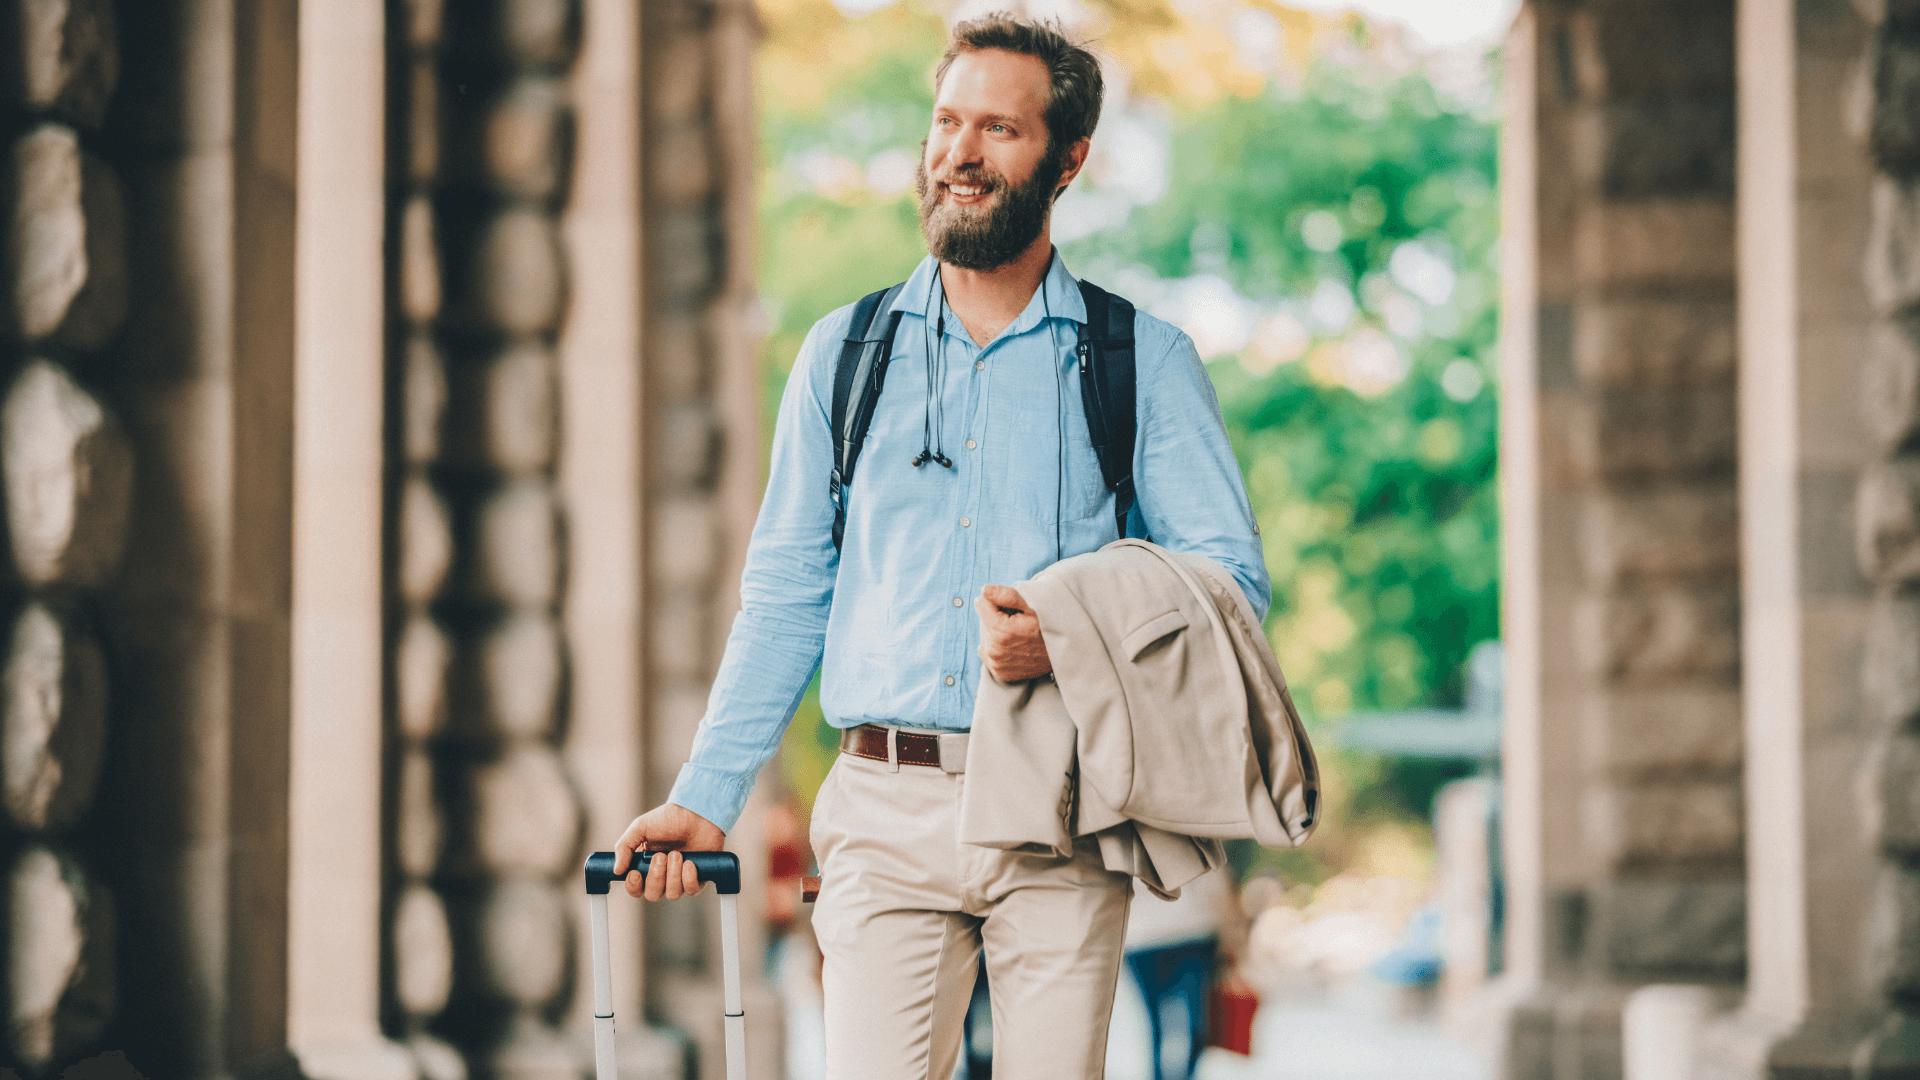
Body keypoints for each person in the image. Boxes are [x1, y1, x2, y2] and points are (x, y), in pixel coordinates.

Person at [611, 13, 1269, 1078]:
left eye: (998, 130)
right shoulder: (845, 353)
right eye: (946, 123)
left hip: (1061, 815)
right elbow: (785, 596)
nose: (959, 155)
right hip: (882, 810)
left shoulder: (1141, 360)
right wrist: (705, 798)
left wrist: (1073, 638)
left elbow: (1231, 587)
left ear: (1067, 160)